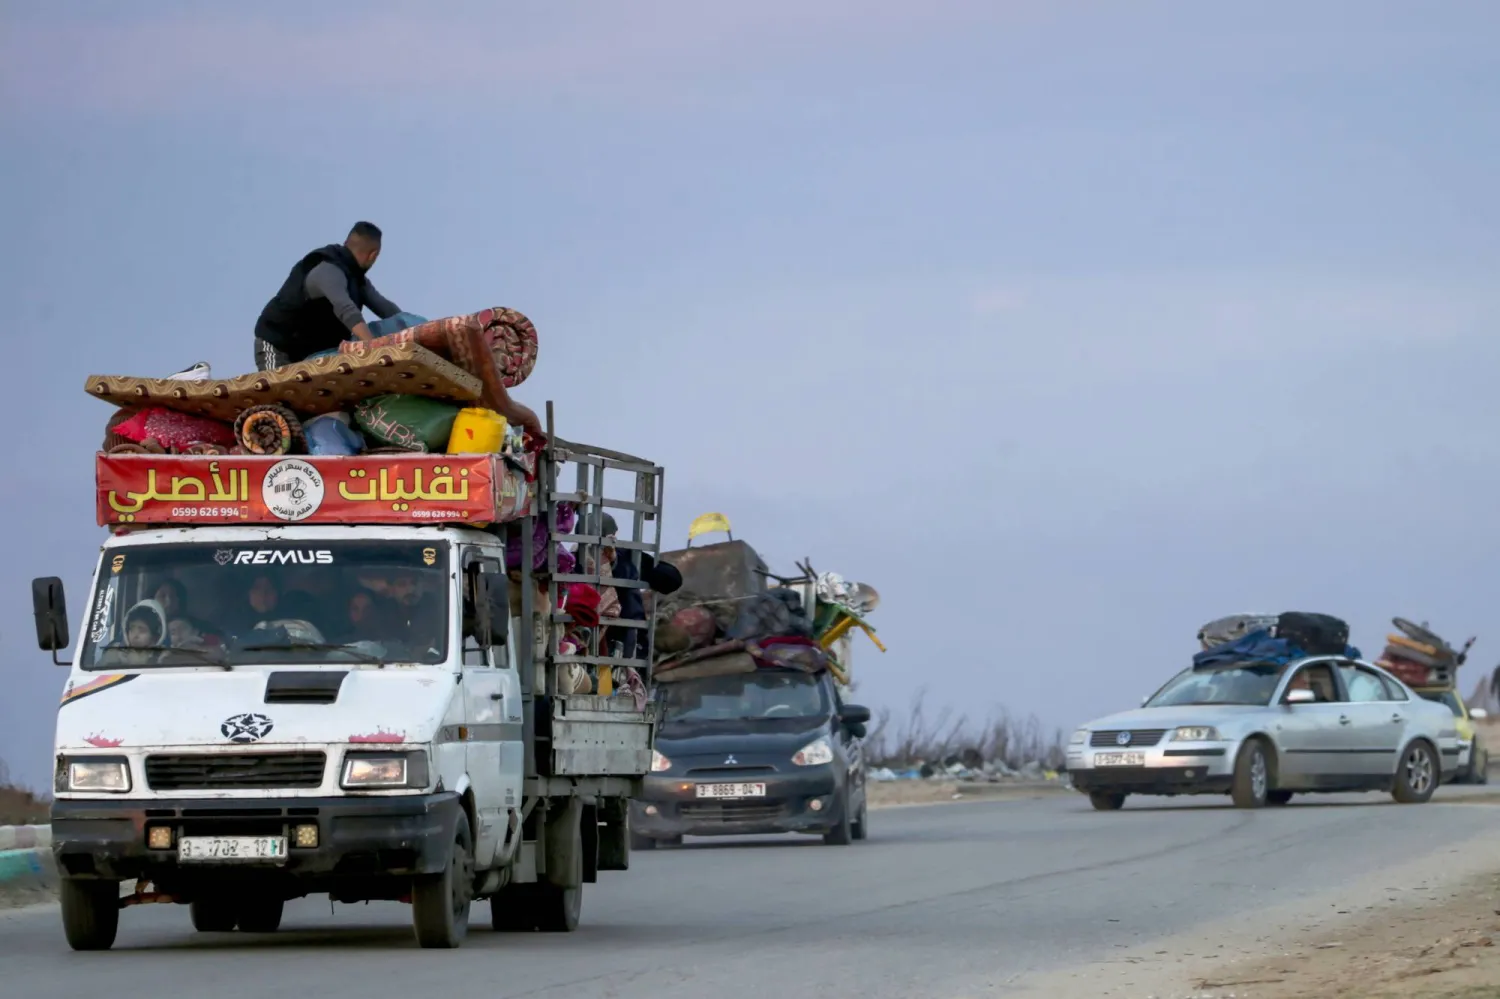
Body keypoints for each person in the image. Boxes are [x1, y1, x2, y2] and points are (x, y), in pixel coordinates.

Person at [253, 221, 416, 370]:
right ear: (373, 255)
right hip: (277, 346)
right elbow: (347, 310)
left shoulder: (358, 280)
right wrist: (373, 348)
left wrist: (417, 332)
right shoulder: (328, 270)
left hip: (309, 354)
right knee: (281, 396)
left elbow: (386, 309)